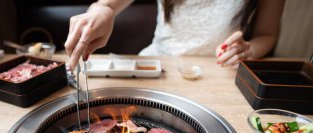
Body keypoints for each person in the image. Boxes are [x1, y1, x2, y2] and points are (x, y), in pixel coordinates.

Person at [64, 0, 285, 70]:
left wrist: (248, 49)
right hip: (160, 65)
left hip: (220, 71)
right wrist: (102, 10)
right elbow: (107, 4)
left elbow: (267, 34)